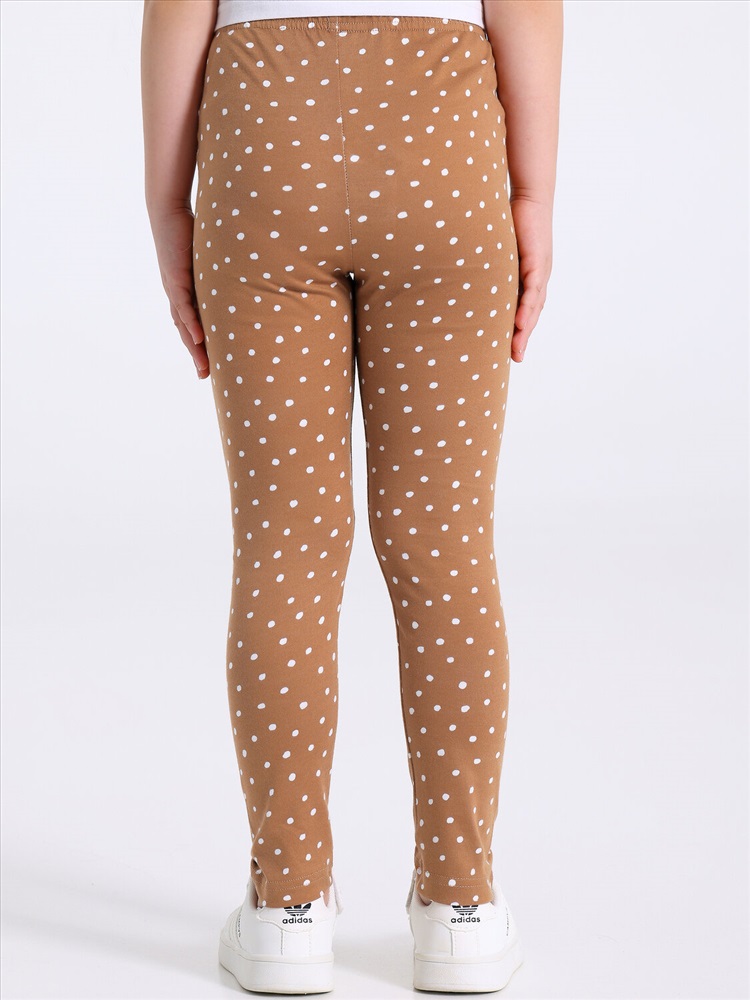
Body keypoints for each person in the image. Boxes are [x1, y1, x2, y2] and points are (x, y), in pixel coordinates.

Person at [141, 0, 561, 993]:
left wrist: (168, 203)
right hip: (442, 139)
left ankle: (286, 908)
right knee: (446, 543)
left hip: (264, 134)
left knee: (284, 543)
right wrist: (532, 191)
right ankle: (461, 908)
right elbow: (531, 9)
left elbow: (175, 9)